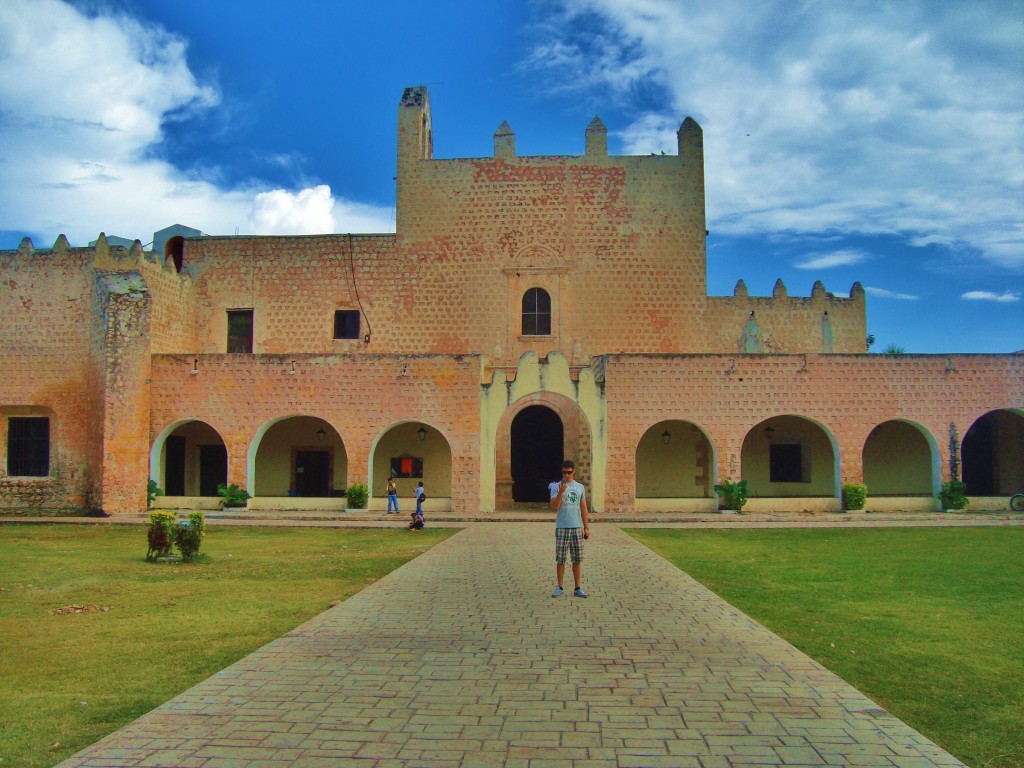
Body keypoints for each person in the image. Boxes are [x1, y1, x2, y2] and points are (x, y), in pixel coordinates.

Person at [549, 459, 590, 598]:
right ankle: (559, 586)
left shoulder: (580, 487)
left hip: (577, 526)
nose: (566, 475)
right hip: (562, 526)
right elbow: (554, 507)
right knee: (560, 559)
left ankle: (577, 587)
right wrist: (560, 492)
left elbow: (583, 507)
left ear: (574, 471)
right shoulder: (556, 486)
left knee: (577, 559)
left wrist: (586, 527)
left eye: (569, 472)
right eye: (564, 472)